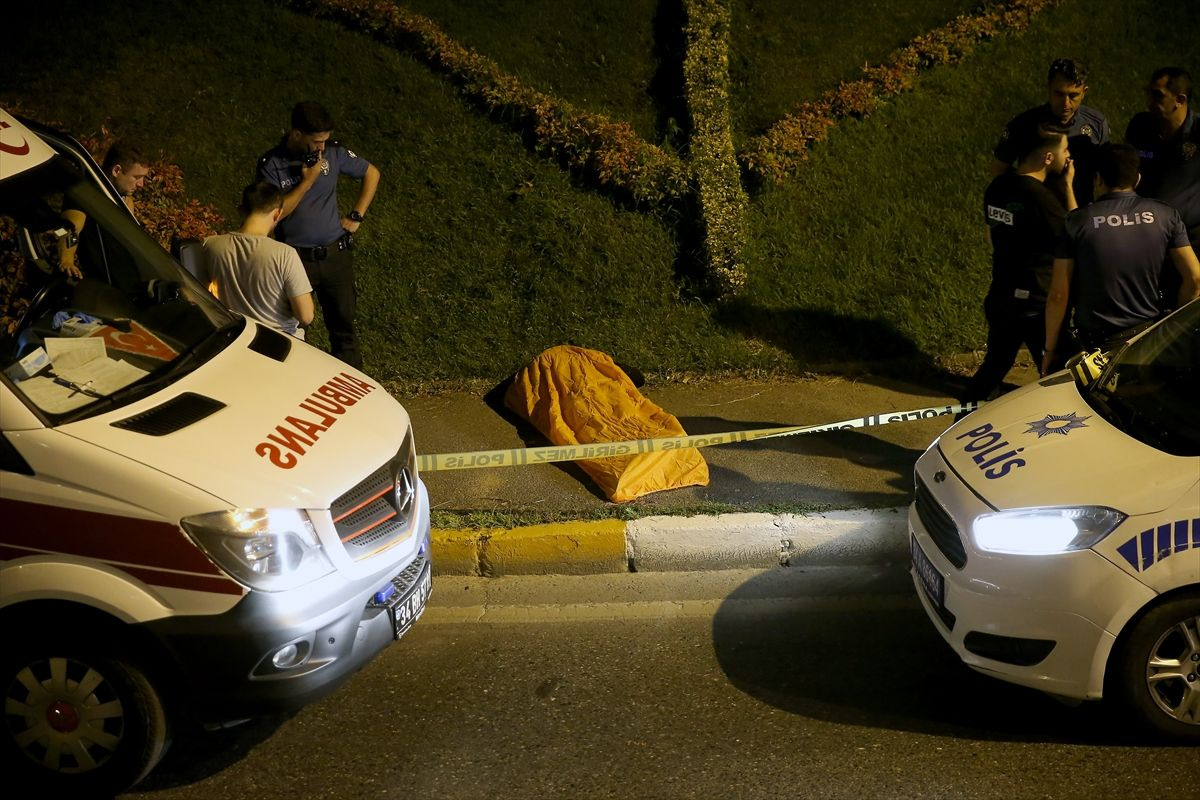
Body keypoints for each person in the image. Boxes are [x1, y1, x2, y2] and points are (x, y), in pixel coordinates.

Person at [1043, 143, 1200, 374]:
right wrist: (1173, 329)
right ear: (1137, 178)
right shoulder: (1166, 215)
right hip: (1147, 341)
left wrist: (1049, 351)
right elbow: (1195, 278)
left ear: (1098, 180)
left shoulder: (1075, 223)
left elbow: (1058, 295)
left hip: (1094, 346)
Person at [257, 101, 380, 369]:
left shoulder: (334, 152)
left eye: (325, 140)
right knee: (295, 328)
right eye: (316, 141)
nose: (321, 147)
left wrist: (356, 215)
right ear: (297, 134)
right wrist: (308, 181)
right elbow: (275, 213)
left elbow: (372, 173)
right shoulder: (272, 164)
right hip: (296, 260)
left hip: (335, 255)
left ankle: (352, 384)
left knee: (344, 326)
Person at [962, 126, 1075, 404]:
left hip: (1002, 294)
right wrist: (1069, 187)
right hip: (1036, 304)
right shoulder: (1043, 201)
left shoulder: (998, 187)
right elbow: (1080, 234)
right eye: (1065, 150)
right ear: (1049, 157)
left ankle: (962, 422)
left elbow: (993, 233)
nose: (1069, 156)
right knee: (1058, 375)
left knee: (995, 365)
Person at [199, 182, 314, 338]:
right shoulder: (285, 255)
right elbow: (306, 316)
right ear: (277, 214)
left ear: (241, 210)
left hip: (234, 337)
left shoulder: (210, 245)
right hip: (279, 342)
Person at [992, 58, 1109, 206]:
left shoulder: (1096, 124)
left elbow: (1106, 175)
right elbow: (999, 169)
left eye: (1073, 95)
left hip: (1080, 212)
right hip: (1038, 213)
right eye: (1059, 94)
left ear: (1084, 92)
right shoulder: (1023, 124)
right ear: (1048, 88)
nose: (1066, 103)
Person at [1125, 67, 1200, 243]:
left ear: (1180, 100)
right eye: (1149, 94)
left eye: (1158, 96)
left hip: (1189, 238)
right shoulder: (1140, 126)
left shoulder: (1198, 132)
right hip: (1143, 234)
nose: (1149, 102)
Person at [59, 140, 151, 278]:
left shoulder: (126, 200)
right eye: (137, 177)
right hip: (102, 285)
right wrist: (67, 261)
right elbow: (71, 229)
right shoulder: (88, 194)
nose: (141, 184)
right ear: (117, 170)